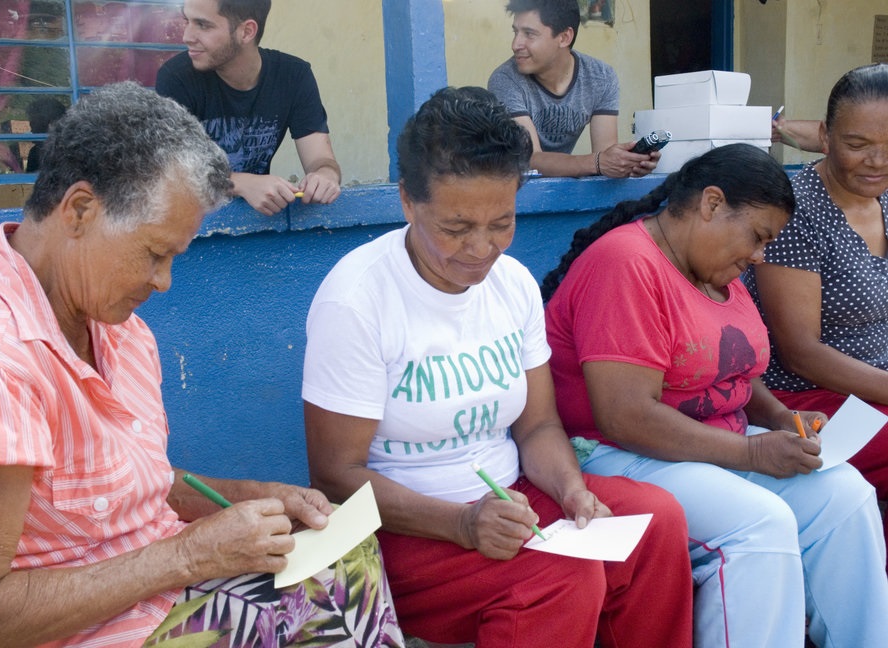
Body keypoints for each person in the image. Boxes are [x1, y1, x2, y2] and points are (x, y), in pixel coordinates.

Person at [0, 82, 403, 648]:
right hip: (88, 631)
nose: (163, 281)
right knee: (318, 611)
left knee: (345, 557)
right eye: (154, 253)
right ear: (79, 209)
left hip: (158, 596)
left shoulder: (113, 325)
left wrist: (253, 495)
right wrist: (189, 555)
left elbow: (126, 489)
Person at [301, 86, 693, 648]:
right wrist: (460, 524)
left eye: (502, 223)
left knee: (657, 521)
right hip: (404, 531)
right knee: (561, 574)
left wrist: (570, 489)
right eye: (456, 228)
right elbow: (336, 476)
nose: (482, 249)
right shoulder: (358, 299)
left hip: (506, 501)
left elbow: (536, 427)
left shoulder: (511, 285)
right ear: (408, 202)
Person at [542, 142, 888, 648]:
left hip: (710, 446)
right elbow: (625, 416)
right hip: (617, 455)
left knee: (845, 495)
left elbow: (738, 375)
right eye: (757, 236)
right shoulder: (626, 262)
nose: (759, 256)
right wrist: (751, 451)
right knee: (758, 526)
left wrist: (780, 419)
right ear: (710, 204)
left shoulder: (717, 273)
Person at [745, 63, 888, 545]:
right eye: (857, 145)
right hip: (802, 403)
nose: (876, 161)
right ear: (825, 136)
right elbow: (800, 351)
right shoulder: (798, 210)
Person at [155, 0, 341, 216]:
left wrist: (325, 176)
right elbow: (168, 172)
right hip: (192, 229)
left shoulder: (294, 76)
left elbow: (320, 159)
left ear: (246, 31)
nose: (187, 36)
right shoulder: (177, 77)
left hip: (258, 226)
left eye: (203, 25)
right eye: (187, 21)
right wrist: (240, 184)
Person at [487, 0, 658, 179]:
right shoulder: (505, 79)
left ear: (564, 37)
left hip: (562, 189)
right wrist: (599, 162)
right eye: (516, 32)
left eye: (529, 34)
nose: (516, 44)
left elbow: (604, 155)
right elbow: (530, 159)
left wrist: (628, 163)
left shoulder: (601, 77)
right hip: (514, 190)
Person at [24, 96, 67, 172]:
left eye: (34, 123)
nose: (31, 128)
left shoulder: (69, 152)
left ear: (50, 124)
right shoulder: (35, 152)